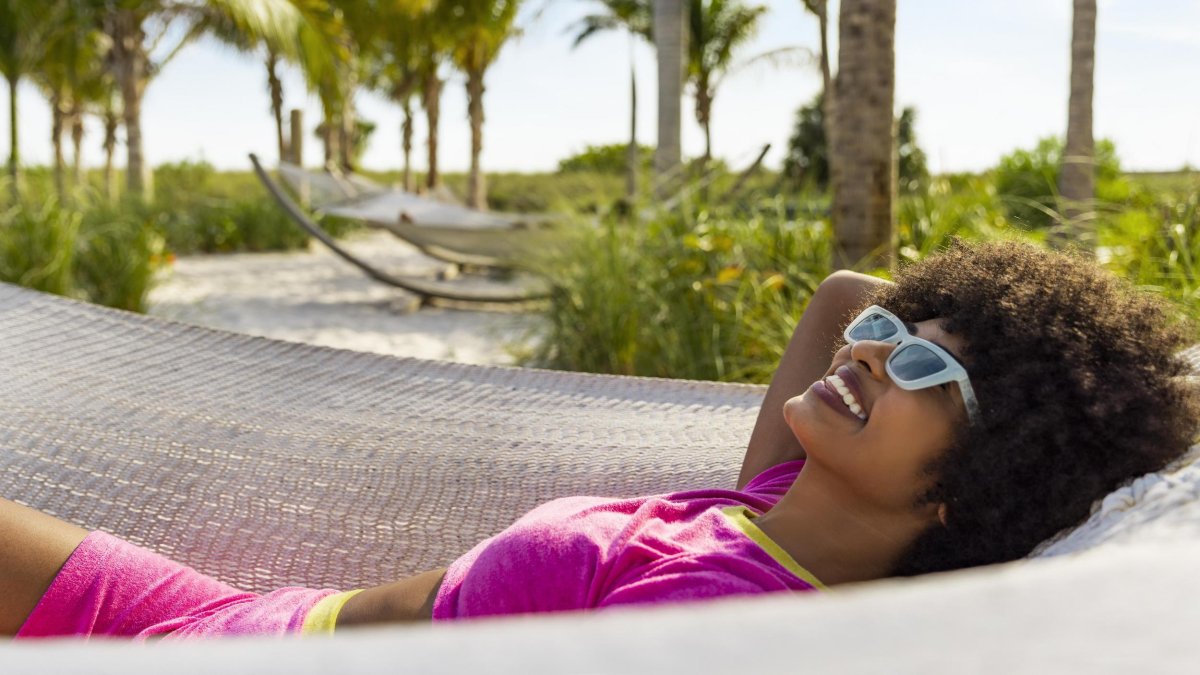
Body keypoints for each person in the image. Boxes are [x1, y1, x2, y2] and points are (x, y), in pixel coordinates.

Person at [3, 239, 1197, 639]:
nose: (873, 353)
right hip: (241, 616)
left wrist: (1066, 431)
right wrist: (955, 331)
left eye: (928, 367)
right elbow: (840, 291)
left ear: (976, 482)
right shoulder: (776, 508)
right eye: (897, 331)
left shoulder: (727, 620)